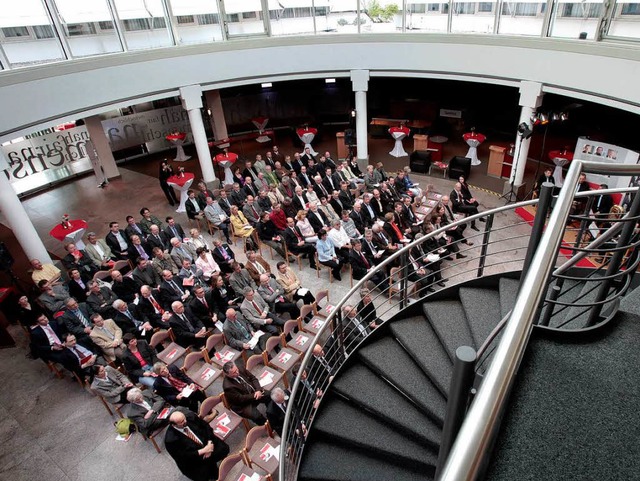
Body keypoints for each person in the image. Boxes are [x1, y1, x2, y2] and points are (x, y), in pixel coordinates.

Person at [165, 410, 230, 481]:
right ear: (174, 425)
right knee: (205, 474)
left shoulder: (190, 417)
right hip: (194, 459)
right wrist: (203, 451)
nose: (185, 421)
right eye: (181, 422)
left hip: (207, 443)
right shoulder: (170, 440)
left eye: (184, 418)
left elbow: (206, 427)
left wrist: (209, 443)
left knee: (224, 449)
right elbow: (183, 457)